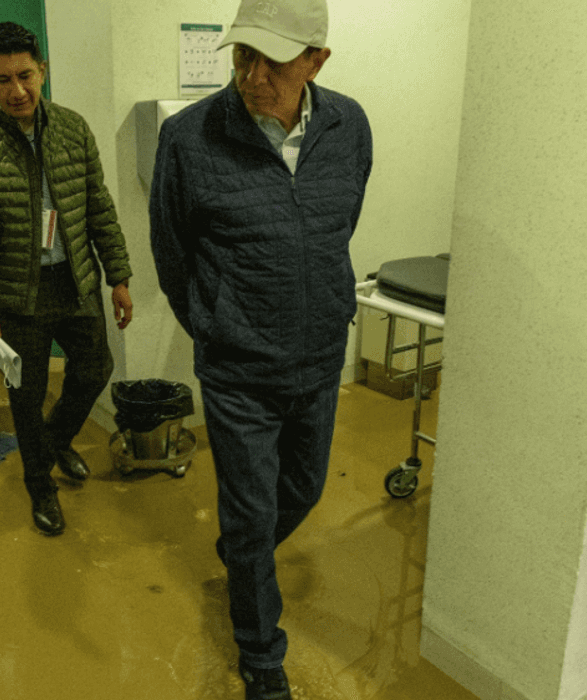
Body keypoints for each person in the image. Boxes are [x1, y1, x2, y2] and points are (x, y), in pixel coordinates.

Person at [149, 0, 372, 697]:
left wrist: (324, 308)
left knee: (301, 488)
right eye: (241, 56)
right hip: (237, 365)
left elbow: (340, 219)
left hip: (316, 353)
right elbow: (170, 248)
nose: (250, 76)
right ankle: (260, 655)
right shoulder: (188, 137)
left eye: (270, 62)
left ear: (315, 62)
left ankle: (243, 558)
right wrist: (214, 323)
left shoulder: (348, 125)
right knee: (249, 512)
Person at [0, 22, 133, 536]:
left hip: (75, 281)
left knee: (95, 369)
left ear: (42, 70)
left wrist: (117, 274)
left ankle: (54, 444)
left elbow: (97, 204)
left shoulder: (72, 128)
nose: (17, 90)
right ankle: (41, 485)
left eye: (25, 75)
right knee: (24, 396)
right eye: (2, 79)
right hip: (13, 293)